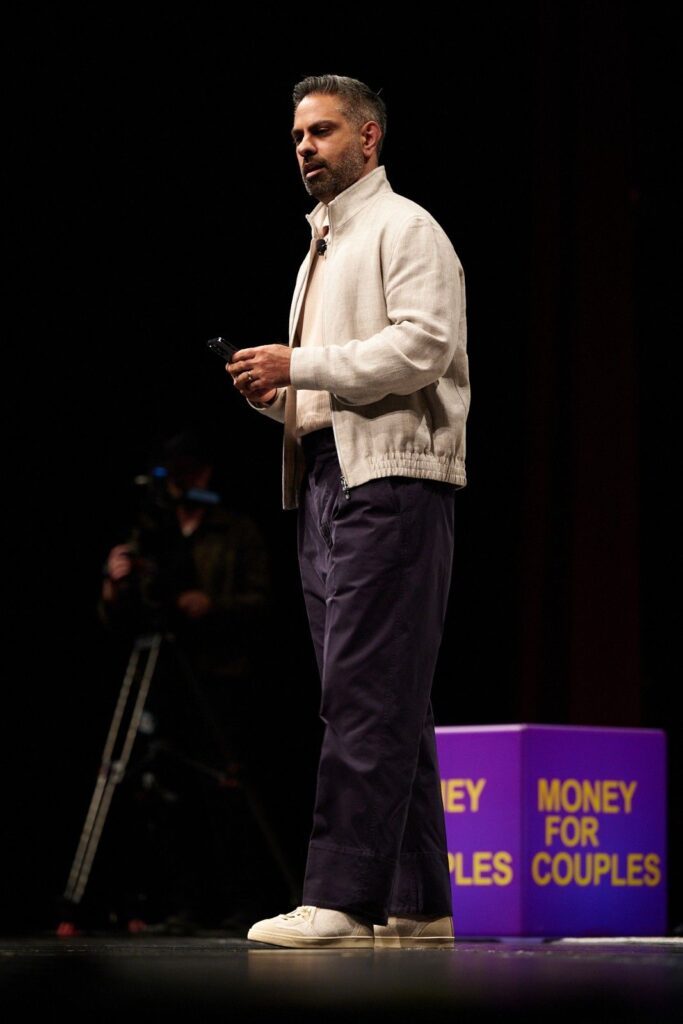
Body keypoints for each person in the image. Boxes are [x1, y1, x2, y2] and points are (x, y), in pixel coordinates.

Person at [228, 75, 470, 948]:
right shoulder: (321, 246)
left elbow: (423, 345)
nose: (304, 146)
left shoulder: (404, 228)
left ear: (368, 140)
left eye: (322, 131)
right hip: (330, 475)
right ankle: (418, 900)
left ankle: (338, 897)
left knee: (364, 692)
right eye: (297, 134)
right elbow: (327, 384)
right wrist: (276, 389)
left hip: (393, 479)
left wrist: (304, 364)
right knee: (380, 693)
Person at [98, 427, 275, 930]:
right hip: (164, 673)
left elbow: (263, 604)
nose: (179, 484)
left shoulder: (233, 529)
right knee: (167, 793)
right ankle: (183, 904)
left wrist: (211, 606)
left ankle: (244, 903)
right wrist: (115, 585)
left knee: (224, 792)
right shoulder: (151, 532)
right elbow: (124, 615)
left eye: (188, 472)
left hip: (221, 676)